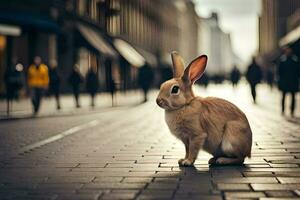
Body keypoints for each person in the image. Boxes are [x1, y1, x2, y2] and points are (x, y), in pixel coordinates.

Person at [277, 47, 300, 117]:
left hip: (293, 82)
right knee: (284, 96)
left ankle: (292, 111)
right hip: (285, 82)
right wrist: (280, 82)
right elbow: (279, 72)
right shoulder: (282, 60)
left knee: (293, 97)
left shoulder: (295, 60)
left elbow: (298, 72)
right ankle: (283, 110)